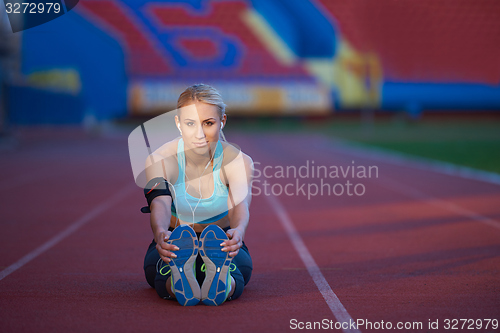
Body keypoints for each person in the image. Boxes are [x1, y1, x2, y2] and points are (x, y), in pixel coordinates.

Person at [142, 84, 254, 306]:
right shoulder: (159, 159)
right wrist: (161, 233)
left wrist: (238, 232)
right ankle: (186, 280)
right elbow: (160, 205)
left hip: (222, 240)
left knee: (239, 266)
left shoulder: (239, 161)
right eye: (190, 124)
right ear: (178, 123)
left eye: (208, 123)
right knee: (159, 267)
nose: (199, 134)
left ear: (222, 122)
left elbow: (240, 205)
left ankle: (209, 282)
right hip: (176, 238)